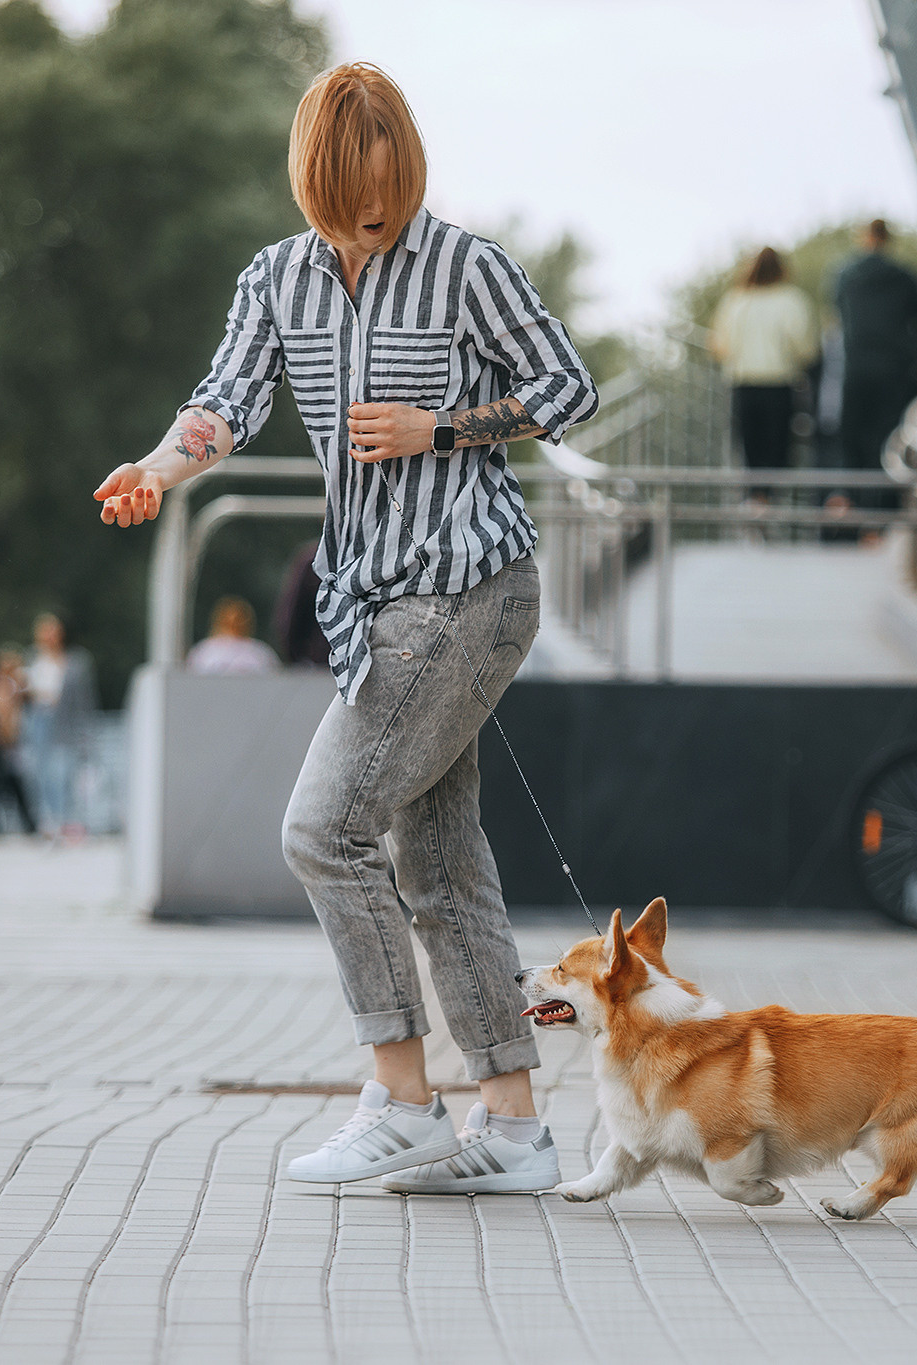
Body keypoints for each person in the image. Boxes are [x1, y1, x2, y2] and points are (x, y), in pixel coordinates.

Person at [93, 63, 597, 1196]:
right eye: (346, 202)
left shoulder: (468, 266)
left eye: (386, 197)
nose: (370, 222)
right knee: (440, 864)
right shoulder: (275, 279)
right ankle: (514, 1134)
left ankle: (403, 1099)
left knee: (323, 830)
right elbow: (222, 400)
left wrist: (443, 428)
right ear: (311, 184)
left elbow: (568, 388)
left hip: (470, 584)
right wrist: (160, 471)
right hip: (373, 603)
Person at [828, 219, 917, 525]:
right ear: (888, 241)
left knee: (852, 437)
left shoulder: (845, 276)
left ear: (863, 238)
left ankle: (847, 498)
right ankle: (880, 519)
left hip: (855, 368)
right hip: (894, 371)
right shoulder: (905, 277)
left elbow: (838, 313)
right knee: (887, 441)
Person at [709, 246, 817, 501]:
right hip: (780, 383)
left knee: (749, 448)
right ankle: (769, 501)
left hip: (743, 382)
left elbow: (720, 346)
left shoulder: (735, 301)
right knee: (777, 449)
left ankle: (755, 500)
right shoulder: (792, 301)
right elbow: (806, 348)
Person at [24, 613, 96, 838]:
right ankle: (49, 819)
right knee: (42, 772)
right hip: (38, 721)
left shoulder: (75, 661)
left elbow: (85, 699)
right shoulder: (31, 659)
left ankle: (65, 819)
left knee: (63, 771)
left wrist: (87, 728)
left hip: (65, 722)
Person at [0, 647, 39, 835]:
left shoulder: (17, 688)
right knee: (2, 784)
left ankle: (27, 822)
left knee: (17, 784)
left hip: (16, 746)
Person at [272, 542, 332, 669]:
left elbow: (289, 622)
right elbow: (291, 620)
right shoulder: (314, 561)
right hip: (320, 665)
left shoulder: (313, 559)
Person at [185, 596, 280, 675]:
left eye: (241, 619)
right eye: (232, 621)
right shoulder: (204, 651)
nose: (238, 623)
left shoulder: (261, 652)